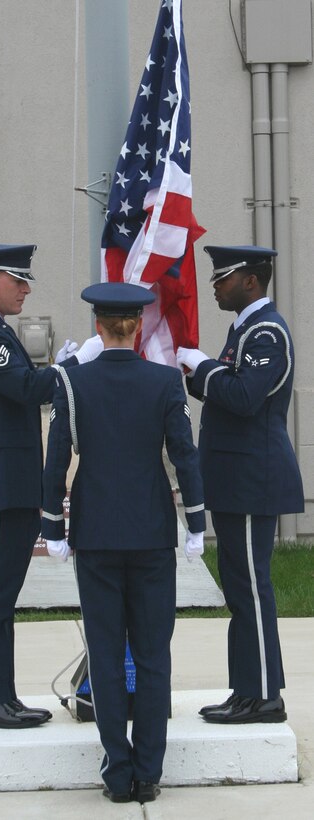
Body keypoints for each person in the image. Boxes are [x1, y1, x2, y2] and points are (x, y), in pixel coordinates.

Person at [41, 282, 206, 804]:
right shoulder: (163, 382)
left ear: (98, 326)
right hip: (152, 533)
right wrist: (196, 522)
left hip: (95, 534)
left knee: (108, 656)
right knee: (154, 655)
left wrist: (52, 529)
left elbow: (55, 460)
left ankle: (117, 773)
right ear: (137, 327)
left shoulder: (72, 381)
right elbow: (184, 454)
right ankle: (149, 773)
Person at [0, 243, 102, 730]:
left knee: (3, 596)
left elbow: (24, 383)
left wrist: (58, 368)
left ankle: (0, 695)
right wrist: (71, 367)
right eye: (18, 280)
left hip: (9, 481)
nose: (26, 288)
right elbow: (28, 388)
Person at [177, 244, 304, 725]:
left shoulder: (267, 332)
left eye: (222, 277)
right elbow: (226, 388)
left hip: (254, 480)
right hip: (236, 480)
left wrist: (202, 366)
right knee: (238, 588)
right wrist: (193, 371)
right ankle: (247, 690)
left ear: (250, 280)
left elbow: (245, 397)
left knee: (251, 588)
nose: (214, 285)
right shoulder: (245, 329)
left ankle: (266, 696)